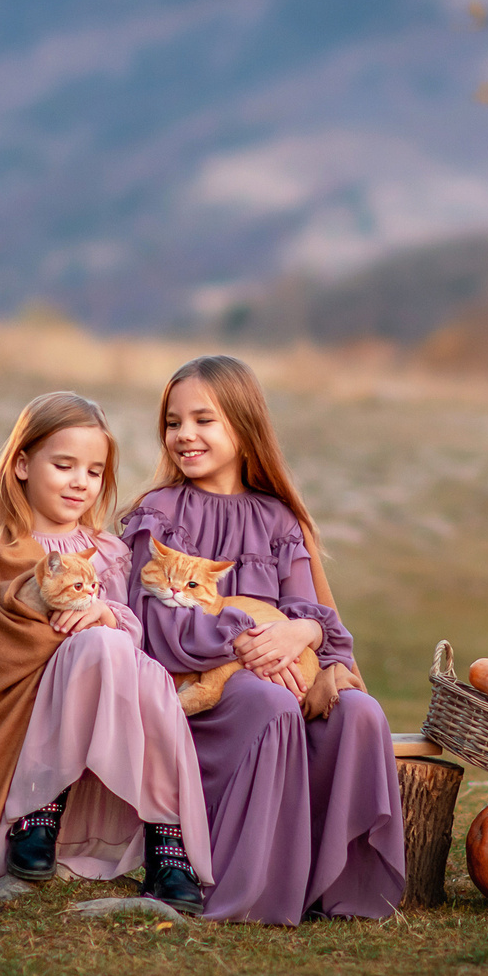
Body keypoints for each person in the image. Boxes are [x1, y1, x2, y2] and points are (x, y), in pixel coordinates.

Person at [0, 391, 209, 912]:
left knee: (138, 667)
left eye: (95, 471)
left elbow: (129, 632)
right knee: (103, 645)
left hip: (104, 695)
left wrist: (104, 616)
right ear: (21, 464)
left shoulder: (108, 551)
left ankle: (168, 843)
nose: (81, 481)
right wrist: (71, 620)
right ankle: (37, 810)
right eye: (64, 465)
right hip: (22, 698)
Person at [121, 355, 405, 924]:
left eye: (204, 420)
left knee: (361, 714)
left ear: (243, 425)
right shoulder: (160, 513)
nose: (184, 435)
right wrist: (251, 640)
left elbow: (316, 616)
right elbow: (154, 628)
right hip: (197, 690)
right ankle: (249, 892)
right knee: (271, 701)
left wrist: (299, 630)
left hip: (276, 669)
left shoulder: (279, 520)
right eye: (174, 423)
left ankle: (335, 890)